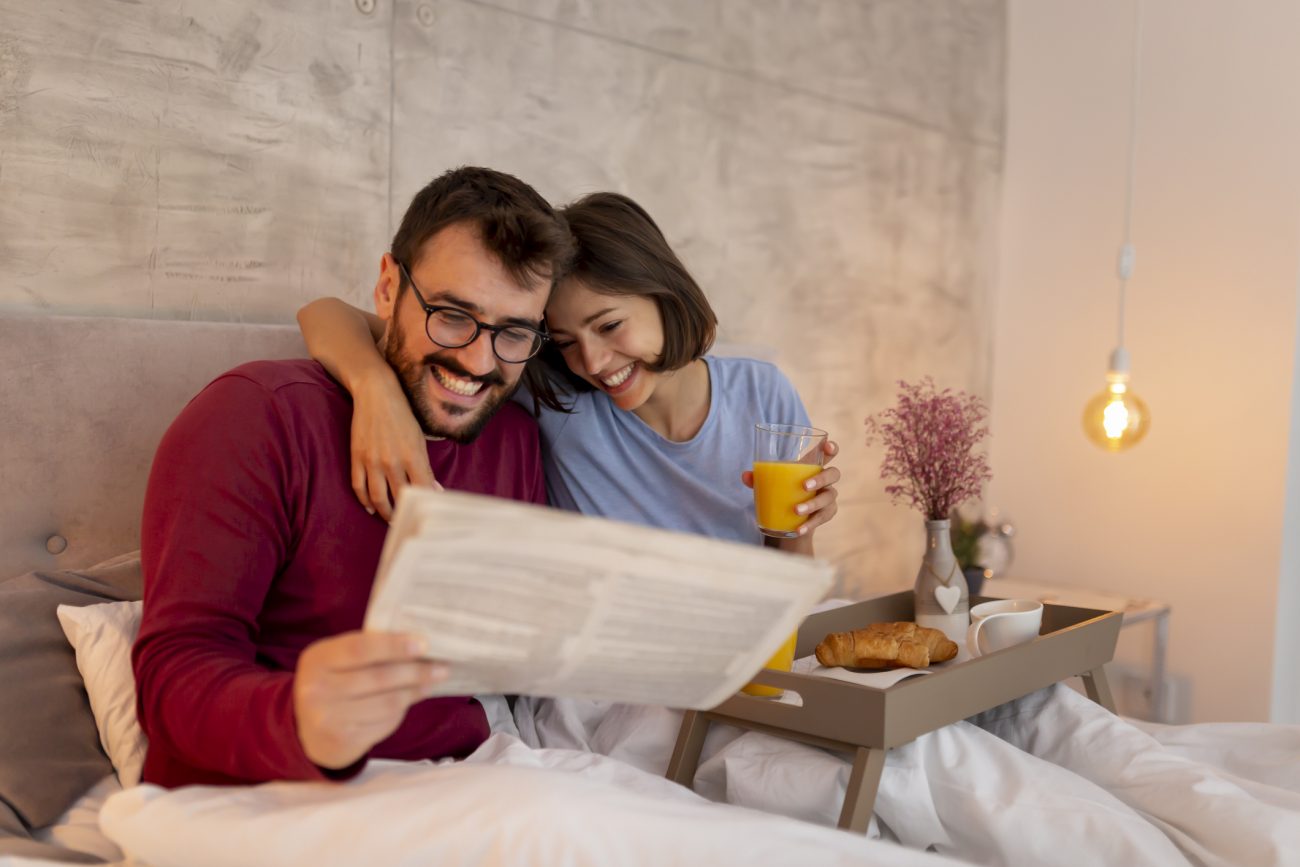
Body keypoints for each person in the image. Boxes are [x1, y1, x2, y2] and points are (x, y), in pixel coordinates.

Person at [132, 166, 574, 787]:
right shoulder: (256, 415)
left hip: (469, 779)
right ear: (388, 288)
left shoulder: (514, 441)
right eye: (451, 315)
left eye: (514, 332)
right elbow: (172, 678)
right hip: (273, 793)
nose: (478, 361)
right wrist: (304, 719)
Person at [298, 192, 841, 554]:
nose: (595, 364)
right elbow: (325, 313)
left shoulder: (763, 393)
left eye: (609, 326)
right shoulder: (560, 398)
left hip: (741, 658)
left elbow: (792, 577)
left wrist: (800, 524)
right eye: (564, 342)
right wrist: (376, 393)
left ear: (663, 293)